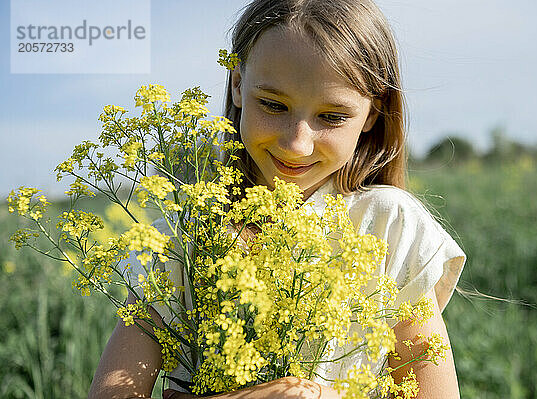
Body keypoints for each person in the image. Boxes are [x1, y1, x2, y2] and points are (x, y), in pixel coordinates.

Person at [88, 0, 466, 398]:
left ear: (372, 113)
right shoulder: (183, 241)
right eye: (273, 105)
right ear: (237, 84)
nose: (296, 144)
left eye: (332, 117)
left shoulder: (388, 226)